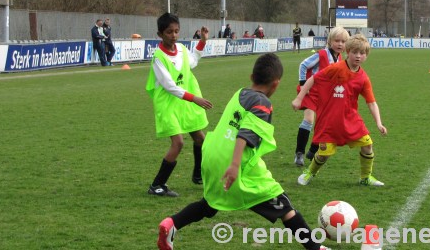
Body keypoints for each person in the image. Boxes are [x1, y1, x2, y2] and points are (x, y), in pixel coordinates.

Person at [157, 53, 330, 250]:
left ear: (251, 77)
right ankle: (317, 248)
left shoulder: (240, 93)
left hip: (213, 155)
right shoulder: (262, 103)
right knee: (285, 208)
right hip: (235, 164)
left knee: (210, 204)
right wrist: (234, 165)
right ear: (276, 84)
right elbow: (246, 134)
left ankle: (171, 224)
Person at [293, 34, 388, 187]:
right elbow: (313, 79)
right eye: (354, 52)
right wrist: (299, 98)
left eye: (362, 53)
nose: (358, 56)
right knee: (324, 154)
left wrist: (379, 123)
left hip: (351, 120)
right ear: (347, 52)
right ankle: (310, 172)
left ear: (366, 56)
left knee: (367, 145)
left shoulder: (363, 78)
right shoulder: (335, 69)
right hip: (330, 120)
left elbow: (371, 102)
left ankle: (365, 177)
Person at [145, 13, 213, 197]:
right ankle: (157, 185)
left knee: (201, 139)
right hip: (168, 104)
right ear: (160, 34)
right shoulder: (158, 57)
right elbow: (169, 86)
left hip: (184, 103)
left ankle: (198, 175)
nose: (173, 35)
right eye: (169, 32)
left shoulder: (182, 49)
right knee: (178, 143)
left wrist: (202, 41)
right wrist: (195, 99)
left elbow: (193, 62)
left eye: (176, 31)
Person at [293, 26, 349, 166]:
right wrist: (302, 85)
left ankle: (312, 150)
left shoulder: (340, 58)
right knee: (309, 120)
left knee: (324, 123)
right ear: (330, 41)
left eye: (343, 41)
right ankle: (299, 153)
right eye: (337, 41)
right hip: (311, 92)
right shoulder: (322, 54)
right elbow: (303, 65)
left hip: (325, 96)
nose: (340, 44)